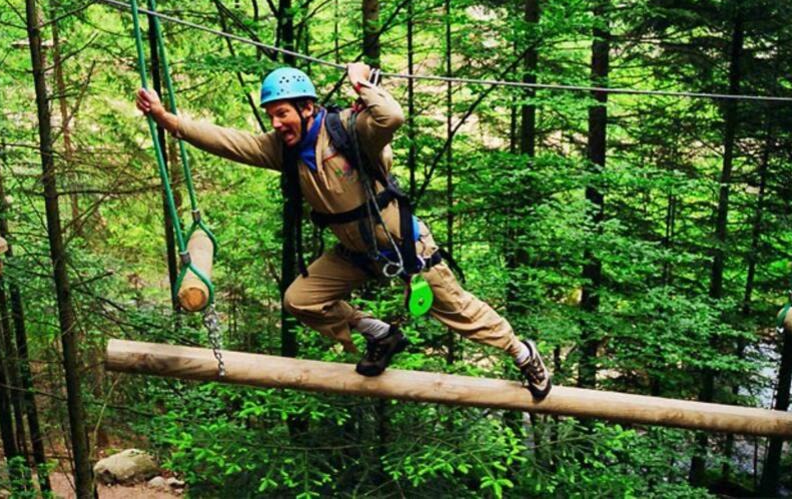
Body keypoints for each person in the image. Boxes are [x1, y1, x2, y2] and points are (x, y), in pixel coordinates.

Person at [135, 63, 551, 399]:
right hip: (357, 254)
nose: (277, 122)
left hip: (405, 247)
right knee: (300, 300)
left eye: (283, 113)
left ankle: (523, 353)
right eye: (272, 115)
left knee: (459, 311)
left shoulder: (351, 131)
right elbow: (225, 140)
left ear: (307, 108)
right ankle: (380, 333)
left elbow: (392, 116)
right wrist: (165, 117)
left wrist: (363, 84)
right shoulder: (282, 150)